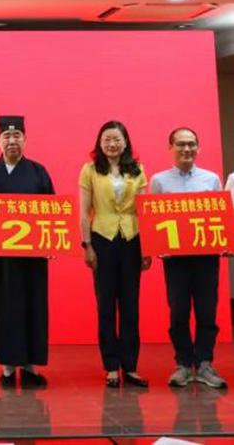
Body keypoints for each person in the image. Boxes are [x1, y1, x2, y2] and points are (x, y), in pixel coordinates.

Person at [151, 127, 227, 389]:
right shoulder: (159, 181)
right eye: (181, 144)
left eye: (192, 144)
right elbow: (154, 222)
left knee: (207, 311)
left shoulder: (212, 179)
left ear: (198, 148)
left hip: (206, 258)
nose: (187, 149)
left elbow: (221, 219)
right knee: (179, 311)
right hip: (176, 260)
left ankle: (205, 363)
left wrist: (225, 242)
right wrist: (158, 247)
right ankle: (183, 364)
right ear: (170, 148)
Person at [0, 115, 54, 388]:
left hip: (34, 256)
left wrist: (51, 244)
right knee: (6, 307)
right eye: (6, 137)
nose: (12, 141)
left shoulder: (38, 172)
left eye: (17, 137)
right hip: (4, 257)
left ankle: (30, 365)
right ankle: (8, 367)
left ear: (25, 139)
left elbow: (52, 212)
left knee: (33, 304)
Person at [79, 120, 150, 388]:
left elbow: (144, 209)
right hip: (103, 239)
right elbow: (84, 210)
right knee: (106, 305)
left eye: (117, 139)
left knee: (131, 305)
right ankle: (111, 366)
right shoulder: (89, 170)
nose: (112, 144)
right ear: (100, 142)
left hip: (132, 239)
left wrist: (149, 247)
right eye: (107, 139)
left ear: (125, 142)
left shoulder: (138, 170)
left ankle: (130, 366)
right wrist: (87, 245)